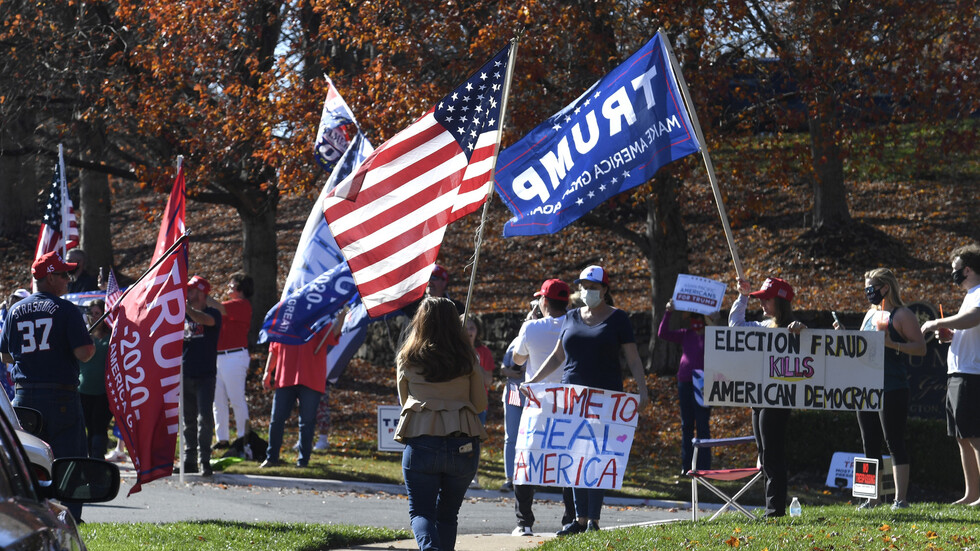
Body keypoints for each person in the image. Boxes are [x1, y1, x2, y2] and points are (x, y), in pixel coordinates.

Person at [524, 266, 650, 535]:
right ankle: (579, 519)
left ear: (605, 290)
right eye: (584, 286)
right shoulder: (570, 317)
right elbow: (558, 357)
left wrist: (642, 389)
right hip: (572, 398)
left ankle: (593, 518)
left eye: (593, 287)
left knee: (598, 456)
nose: (588, 291)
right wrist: (534, 380)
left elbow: (633, 358)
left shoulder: (618, 319)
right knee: (574, 455)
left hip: (605, 399)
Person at [0, 251, 94, 521]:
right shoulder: (66, 310)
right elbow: (85, 353)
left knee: (28, 460)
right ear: (50, 277)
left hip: (24, 398)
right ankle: (71, 517)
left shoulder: (15, 310)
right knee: (69, 461)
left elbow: (5, 355)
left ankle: (30, 514)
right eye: (65, 274)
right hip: (61, 399)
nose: (69, 279)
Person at [395, 297, 487, 551]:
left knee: (421, 511)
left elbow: (405, 401)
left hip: (422, 437)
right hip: (463, 439)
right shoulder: (468, 358)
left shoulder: (407, 356)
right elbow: (479, 404)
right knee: (448, 514)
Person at [839, 268, 926, 510]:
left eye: (871, 288)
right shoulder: (869, 314)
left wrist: (892, 344)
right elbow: (862, 348)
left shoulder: (902, 314)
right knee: (869, 443)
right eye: (865, 288)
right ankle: (871, 498)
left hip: (892, 386)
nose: (867, 293)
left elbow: (920, 348)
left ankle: (901, 500)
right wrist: (844, 337)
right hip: (865, 387)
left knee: (894, 441)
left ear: (885, 288)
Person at [729, 276, 806, 518]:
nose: (762, 305)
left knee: (772, 453)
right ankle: (770, 508)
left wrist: (801, 331)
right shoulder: (762, 327)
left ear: (781, 302)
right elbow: (736, 327)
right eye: (760, 300)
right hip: (758, 399)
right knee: (763, 453)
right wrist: (742, 296)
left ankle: (775, 511)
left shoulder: (794, 328)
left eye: (766, 300)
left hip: (778, 400)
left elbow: (811, 348)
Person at [509, 279, 577, 537]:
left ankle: (524, 522)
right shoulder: (574, 324)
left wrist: (527, 324)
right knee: (568, 462)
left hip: (536, 404)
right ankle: (570, 519)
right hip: (567, 404)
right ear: (567, 302)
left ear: (544, 302)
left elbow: (517, 359)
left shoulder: (531, 326)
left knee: (526, 459)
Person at [921, 243, 980, 506]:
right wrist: (952, 337)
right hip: (958, 372)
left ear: (967, 269)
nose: (952, 273)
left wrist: (938, 322)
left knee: (976, 436)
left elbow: (973, 318)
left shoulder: (979, 294)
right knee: (962, 436)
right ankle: (972, 494)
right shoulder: (970, 295)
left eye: (955, 269)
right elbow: (968, 326)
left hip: (972, 373)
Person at [261, 324, 337, 468]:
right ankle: (271, 458)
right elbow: (274, 348)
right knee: (276, 419)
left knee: (307, 421)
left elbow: (333, 336)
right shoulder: (285, 320)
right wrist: (267, 371)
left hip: (311, 377)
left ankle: (303, 461)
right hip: (285, 377)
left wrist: (341, 317)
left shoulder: (320, 319)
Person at [658, 299, 712, 474]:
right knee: (686, 425)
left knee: (702, 426)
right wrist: (668, 312)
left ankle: (704, 467)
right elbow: (662, 333)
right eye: (692, 318)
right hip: (685, 382)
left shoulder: (712, 335)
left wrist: (714, 320)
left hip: (704, 383)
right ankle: (686, 466)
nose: (695, 322)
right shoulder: (686, 334)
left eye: (699, 318)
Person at [181, 275, 221, 476]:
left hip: (205, 376)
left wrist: (186, 309)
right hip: (185, 373)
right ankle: (189, 460)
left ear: (201, 292)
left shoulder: (213, 313)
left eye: (191, 290)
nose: (187, 294)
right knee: (188, 420)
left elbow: (204, 320)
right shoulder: (180, 315)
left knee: (204, 418)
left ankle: (204, 459)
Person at [212, 272, 253, 449]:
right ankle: (222, 439)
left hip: (235, 356)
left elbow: (219, 308)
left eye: (232, 284)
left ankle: (244, 438)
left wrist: (201, 295)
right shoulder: (229, 305)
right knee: (217, 401)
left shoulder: (242, 305)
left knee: (236, 399)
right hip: (219, 357)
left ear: (240, 288)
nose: (229, 287)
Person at [79, 299, 113, 459]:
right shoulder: (83, 336)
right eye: (91, 314)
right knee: (89, 427)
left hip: (104, 391)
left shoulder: (112, 337)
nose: (94, 317)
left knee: (99, 426)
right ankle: (90, 460)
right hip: (83, 390)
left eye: (97, 313)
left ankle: (98, 459)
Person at [462, 314, 494, 489]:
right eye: (465, 327)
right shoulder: (454, 350)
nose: (469, 331)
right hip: (458, 403)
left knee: (474, 441)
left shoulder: (484, 352)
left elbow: (488, 381)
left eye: (472, 327)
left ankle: (473, 476)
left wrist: (476, 362)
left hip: (479, 404)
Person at [0, 288, 30, 400]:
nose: (15, 302)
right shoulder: (4, 317)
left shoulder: (28, 319)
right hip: (6, 368)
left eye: (19, 300)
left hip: (19, 369)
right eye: (14, 299)